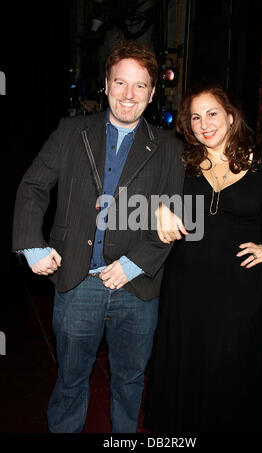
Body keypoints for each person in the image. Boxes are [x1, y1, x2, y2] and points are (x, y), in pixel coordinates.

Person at [12, 40, 184, 433]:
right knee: (70, 383)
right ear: (106, 86)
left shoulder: (170, 149)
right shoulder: (71, 132)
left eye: (140, 86)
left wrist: (133, 264)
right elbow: (34, 187)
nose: (128, 94)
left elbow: (174, 219)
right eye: (120, 83)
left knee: (129, 383)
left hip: (137, 289)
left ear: (153, 93)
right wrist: (31, 244)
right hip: (77, 283)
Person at [143, 82, 262, 433]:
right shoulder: (180, 160)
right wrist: (158, 208)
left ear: (230, 117)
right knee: (185, 367)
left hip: (239, 291)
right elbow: (136, 192)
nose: (204, 124)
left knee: (230, 368)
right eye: (195, 117)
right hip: (184, 288)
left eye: (212, 113)